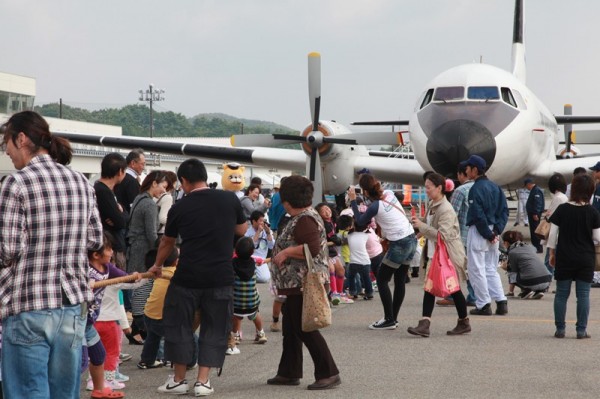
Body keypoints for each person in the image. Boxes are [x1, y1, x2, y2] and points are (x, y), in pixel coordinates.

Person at [0, 111, 103, 398]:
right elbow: (95, 238)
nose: (6, 151)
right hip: (72, 307)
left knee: (27, 392)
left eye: (5, 143)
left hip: (28, 304)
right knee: (64, 392)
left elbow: (8, 250)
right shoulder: (81, 182)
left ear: (21, 138)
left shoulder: (16, 183)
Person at [149, 158, 247, 397]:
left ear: (183, 181)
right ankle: (203, 381)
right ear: (205, 177)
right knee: (215, 327)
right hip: (221, 276)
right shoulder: (228, 198)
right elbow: (242, 230)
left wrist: (157, 265)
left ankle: (179, 380)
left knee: (179, 324)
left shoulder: (179, 207)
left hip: (188, 277)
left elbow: (167, 241)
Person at [267, 175, 340, 390]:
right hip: (297, 284)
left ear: (287, 201)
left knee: (304, 328)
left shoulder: (304, 219)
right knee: (291, 329)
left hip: (303, 283)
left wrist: (287, 251)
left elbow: (313, 248)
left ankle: (329, 372)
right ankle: (289, 372)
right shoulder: (308, 215)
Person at [348, 173, 417, 330]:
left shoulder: (375, 206)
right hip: (411, 238)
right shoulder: (390, 194)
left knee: (382, 280)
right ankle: (393, 318)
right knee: (399, 280)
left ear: (365, 192)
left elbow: (359, 220)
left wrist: (353, 200)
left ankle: (389, 319)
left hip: (399, 243)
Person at [407, 173, 470, 337]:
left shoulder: (446, 209)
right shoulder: (433, 203)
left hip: (447, 256)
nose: (426, 190)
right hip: (435, 254)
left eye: (428, 187)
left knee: (454, 290)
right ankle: (425, 324)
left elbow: (442, 235)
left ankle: (463, 321)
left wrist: (421, 226)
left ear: (439, 188)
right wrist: (417, 226)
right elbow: (429, 225)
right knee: (430, 288)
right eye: (425, 186)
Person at [547, 174, 600, 339]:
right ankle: (581, 330)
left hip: (565, 256)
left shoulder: (562, 209)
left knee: (562, 293)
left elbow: (553, 234)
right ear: (590, 190)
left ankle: (560, 329)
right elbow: (597, 238)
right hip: (585, 257)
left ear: (574, 189)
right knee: (583, 294)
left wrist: (551, 252)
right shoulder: (592, 212)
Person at [463, 154, 509, 316]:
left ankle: (483, 304)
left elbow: (477, 214)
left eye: (468, 168)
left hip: (479, 231)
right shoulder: (496, 187)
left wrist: (487, 234)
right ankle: (501, 301)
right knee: (490, 268)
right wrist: (496, 231)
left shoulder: (475, 189)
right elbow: (504, 211)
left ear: (475, 170)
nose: (466, 170)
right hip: (494, 232)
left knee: (476, 269)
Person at [227, 237, 268, 355]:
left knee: (235, 317)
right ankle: (261, 333)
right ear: (252, 252)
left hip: (237, 304)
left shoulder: (232, 263)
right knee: (255, 315)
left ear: (236, 251)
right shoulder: (254, 262)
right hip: (252, 302)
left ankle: (235, 336)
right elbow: (261, 260)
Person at [127, 170, 168, 273]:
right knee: (140, 283)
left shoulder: (139, 197)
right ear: (154, 183)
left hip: (132, 247)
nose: (164, 191)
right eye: (163, 187)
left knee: (132, 279)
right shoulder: (150, 204)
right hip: (143, 250)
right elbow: (151, 234)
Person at [94, 152, 128, 271]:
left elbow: (120, 218)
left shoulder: (104, 189)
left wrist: (121, 211)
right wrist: (120, 214)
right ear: (120, 171)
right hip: (111, 247)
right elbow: (120, 222)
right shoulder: (103, 191)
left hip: (111, 245)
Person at [501, 230, 551, 299]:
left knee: (512, 271)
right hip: (547, 279)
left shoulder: (512, 252)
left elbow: (513, 271)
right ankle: (540, 290)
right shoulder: (531, 247)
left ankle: (526, 290)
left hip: (531, 282)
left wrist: (505, 267)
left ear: (506, 243)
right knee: (527, 269)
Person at [543, 173, 568, 275]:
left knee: (549, 259)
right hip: (562, 232)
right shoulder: (564, 197)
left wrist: (546, 216)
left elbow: (551, 216)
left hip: (555, 233)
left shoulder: (558, 198)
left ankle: (545, 281)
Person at [346, 219, 375, 300]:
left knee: (351, 276)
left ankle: (353, 293)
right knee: (366, 278)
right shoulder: (366, 235)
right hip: (365, 261)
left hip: (354, 262)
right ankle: (369, 293)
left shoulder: (349, 235)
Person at [245, 210, 275, 283]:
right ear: (254, 221)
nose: (263, 223)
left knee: (265, 278)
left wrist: (268, 233)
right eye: (260, 221)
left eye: (263, 220)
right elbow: (250, 247)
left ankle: (251, 275)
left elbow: (272, 246)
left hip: (262, 260)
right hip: (250, 259)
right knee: (262, 278)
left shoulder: (266, 231)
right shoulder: (247, 232)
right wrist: (258, 232)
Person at [115, 148, 146, 213]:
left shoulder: (118, 177)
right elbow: (134, 207)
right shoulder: (131, 181)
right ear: (133, 163)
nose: (144, 167)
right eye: (142, 164)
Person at [524, 178, 545, 253]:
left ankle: (538, 247)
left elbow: (538, 203)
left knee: (536, 231)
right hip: (533, 214)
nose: (527, 188)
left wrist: (536, 213)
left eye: (526, 186)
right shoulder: (534, 190)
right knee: (533, 231)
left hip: (534, 215)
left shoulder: (536, 190)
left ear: (529, 184)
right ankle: (535, 246)